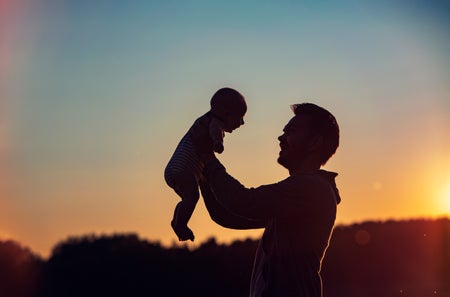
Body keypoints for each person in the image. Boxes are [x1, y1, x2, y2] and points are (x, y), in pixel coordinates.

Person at [198, 103, 341, 296]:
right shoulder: (298, 197)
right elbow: (226, 215)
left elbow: (243, 202)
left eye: (291, 131)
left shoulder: (310, 188)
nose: (281, 138)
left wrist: (206, 158)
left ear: (315, 142)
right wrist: (203, 174)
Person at [164, 87, 247, 241]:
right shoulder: (214, 122)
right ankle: (179, 224)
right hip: (183, 169)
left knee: (188, 198)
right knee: (192, 197)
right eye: (240, 117)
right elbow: (215, 132)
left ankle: (178, 221)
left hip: (178, 169)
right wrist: (217, 143)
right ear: (227, 114)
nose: (242, 123)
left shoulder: (204, 121)